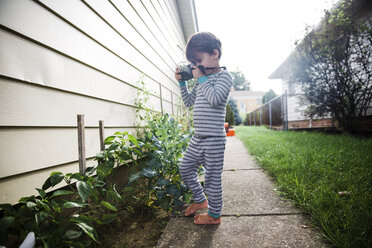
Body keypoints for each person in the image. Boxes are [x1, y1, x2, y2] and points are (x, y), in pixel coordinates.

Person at [175, 32, 233, 224]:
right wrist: (183, 82)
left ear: (214, 54)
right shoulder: (203, 79)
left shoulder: (225, 77)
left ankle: (214, 215)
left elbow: (215, 99)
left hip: (214, 140)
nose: (197, 67)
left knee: (212, 179)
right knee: (185, 167)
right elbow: (189, 102)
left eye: (199, 61)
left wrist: (200, 78)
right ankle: (201, 200)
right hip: (198, 137)